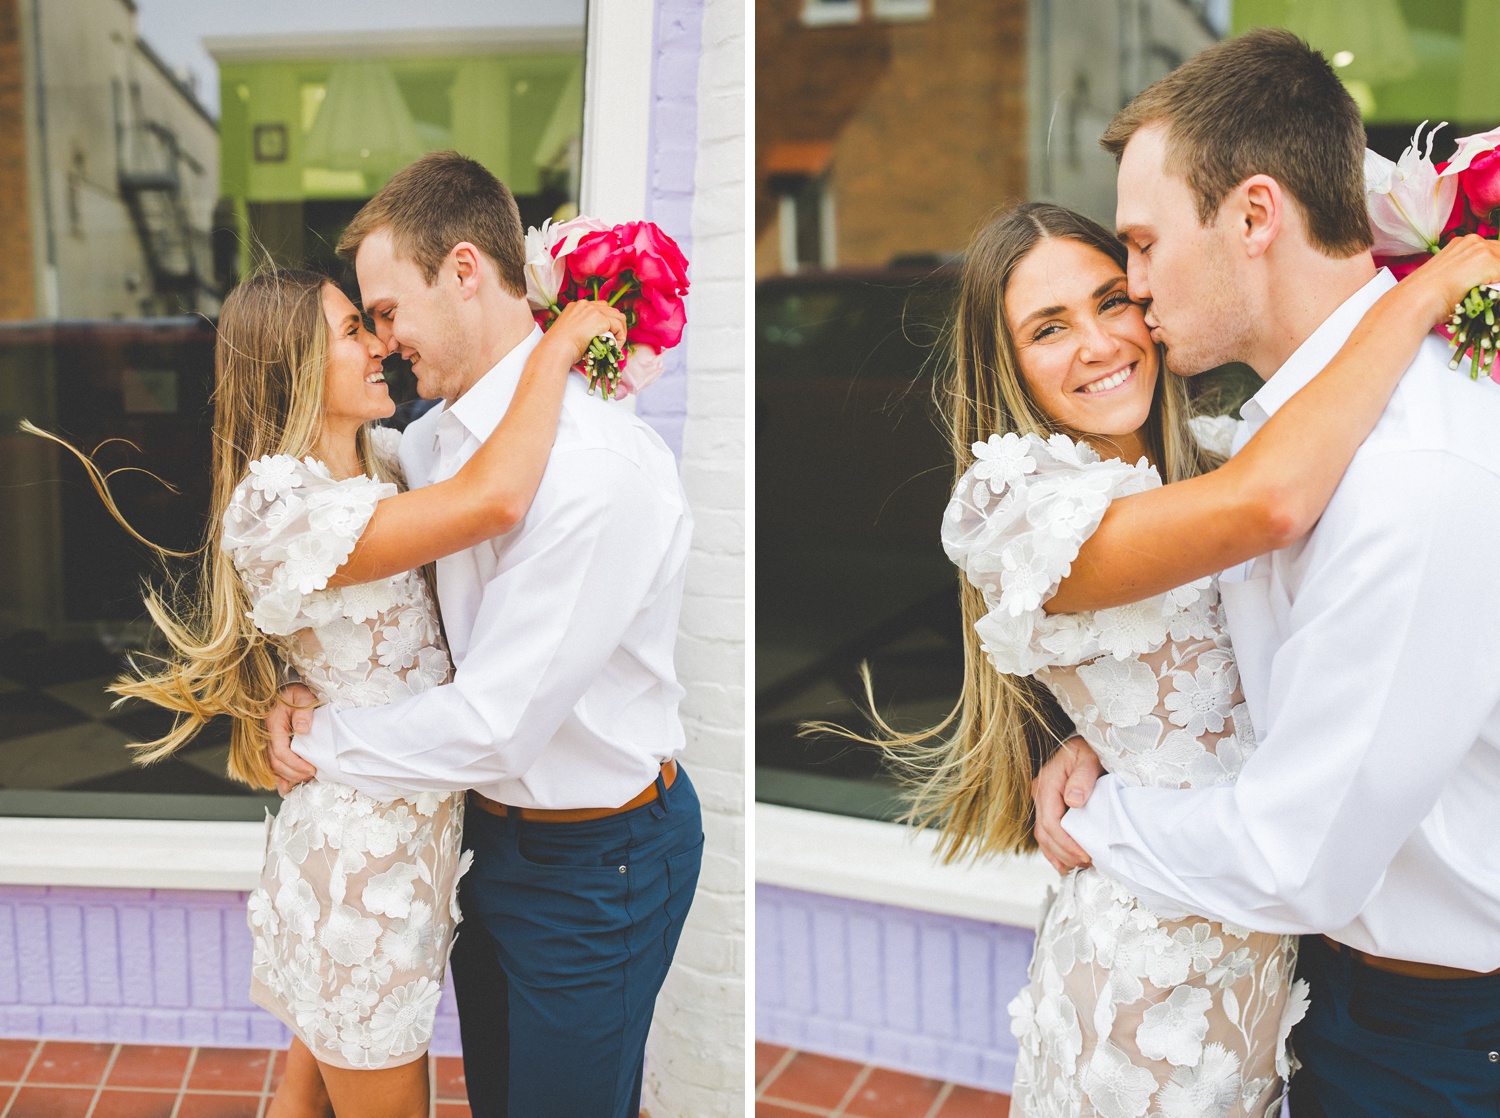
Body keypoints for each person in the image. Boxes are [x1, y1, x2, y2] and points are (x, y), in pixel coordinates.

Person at [848, 188, 1499, 1115]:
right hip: (1146, 962)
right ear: (1009, 365)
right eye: (1049, 328)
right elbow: (1267, 504)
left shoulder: (1210, 451)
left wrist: (1097, 745)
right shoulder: (1015, 508)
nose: (1100, 343)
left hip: (1274, 958)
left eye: (1113, 300)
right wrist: (1418, 294)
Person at [1024, 29, 1500, 1118]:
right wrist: (1126, 734)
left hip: (1435, 1041)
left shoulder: (1410, 473)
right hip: (1325, 993)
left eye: (1143, 246)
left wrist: (1098, 816)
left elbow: (1298, 858)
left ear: (1252, 215)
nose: (1134, 292)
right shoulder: (1293, 432)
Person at [33, 265, 623, 1117]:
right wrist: (557, 343)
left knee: (308, 1091)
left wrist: (292, 685)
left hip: (408, 842)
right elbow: (493, 500)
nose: (381, 343)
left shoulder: (386, 458)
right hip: (360, 873)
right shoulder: (280, 507)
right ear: (294, 366)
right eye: (354, 330)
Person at [262, 152, 703, 1118]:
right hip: (478, 844)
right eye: (365, 323)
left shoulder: (595, 472)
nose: (382, 343)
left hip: (597, 862)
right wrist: (304, 686)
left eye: (385, 312)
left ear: (465, 271)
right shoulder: (422, 447)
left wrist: (318, 742)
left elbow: (497, 725)